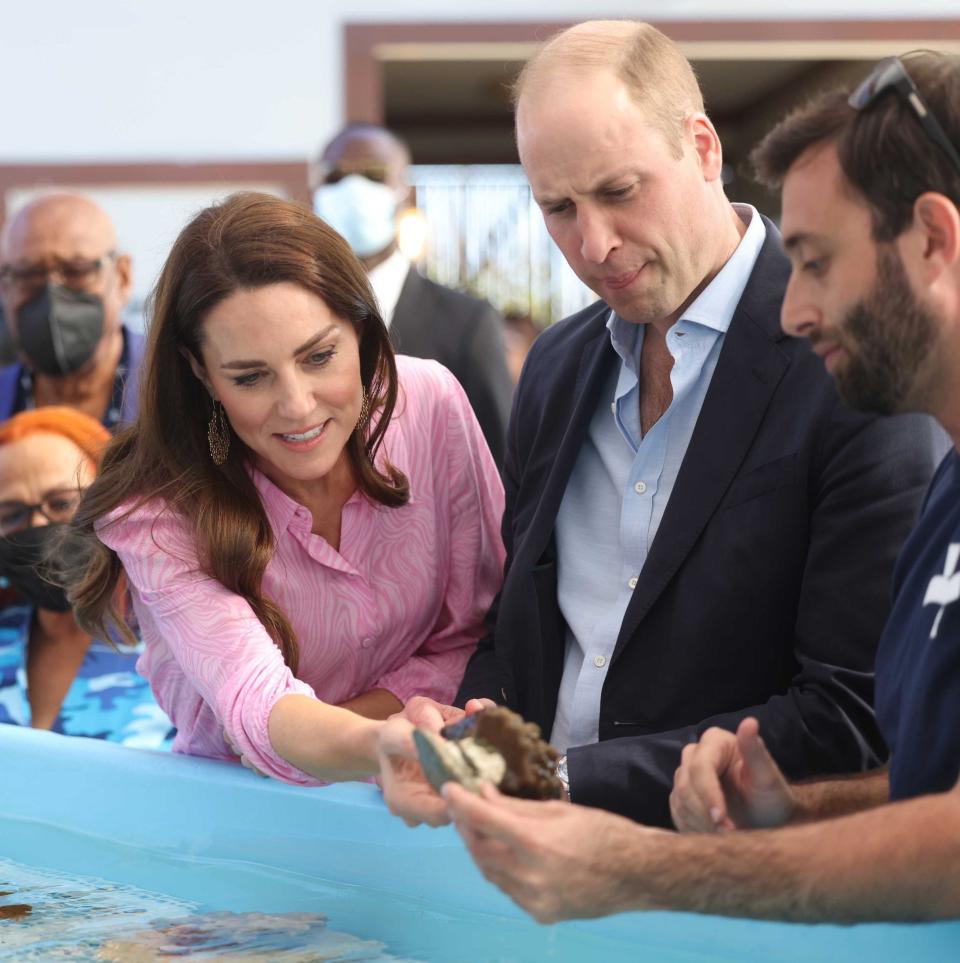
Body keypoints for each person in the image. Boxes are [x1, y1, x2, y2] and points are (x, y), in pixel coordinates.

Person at [437, 49, 960, 924]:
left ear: (703, 149)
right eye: (558, 208)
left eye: (818, 262)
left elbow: (858, 720)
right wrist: (479, 739)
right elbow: (921, 773)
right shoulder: (557, 367)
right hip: (554, 872)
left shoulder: (867, 373)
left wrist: (621, 837)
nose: (592, 242)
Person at [64, 192, 504, 785]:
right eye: (250, 376)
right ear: (201, 373)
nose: (297, 407)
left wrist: (354, 736)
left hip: (415, 790)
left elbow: (479, 631)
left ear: (362, 328)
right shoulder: (156, 507)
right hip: (240, 814)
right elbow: (253, 703)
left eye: (320, 356)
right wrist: (386, 735)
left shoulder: (431, 405)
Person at [313, 124, 514, 466]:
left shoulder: (467, 323)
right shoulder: (293, 316)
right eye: (335, 177)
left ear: (407, 193)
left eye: (374, 175)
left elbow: (499, 461)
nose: (354, 189)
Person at [0, 406, 172, 746]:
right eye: (12, 514)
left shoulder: (179, 641)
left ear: (113, 502)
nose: (37, 526)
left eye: (62, 504)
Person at [0, 193, 142, 430]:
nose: (52, 295)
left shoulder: (177, 387)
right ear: (6, 287)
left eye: (76, 271)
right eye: (29, 275)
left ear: (122, 277)